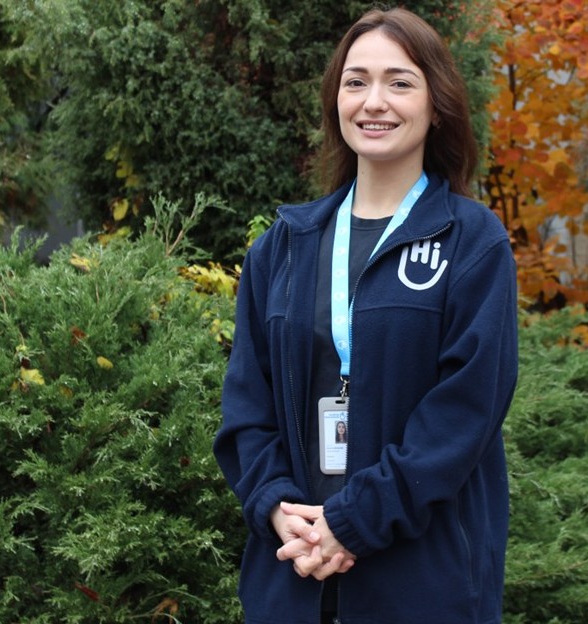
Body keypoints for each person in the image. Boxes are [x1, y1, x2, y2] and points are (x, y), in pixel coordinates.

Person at [213, 7, 518, 623]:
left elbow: (462, 415)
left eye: (399, 82)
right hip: (291, 577)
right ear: (336, 102)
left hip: (421, 585)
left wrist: (354, 523)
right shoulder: (283, 248)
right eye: (356, 82)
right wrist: (276, 506)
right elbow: (247, 408)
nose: (374, 101)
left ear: (438, 105)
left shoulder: (472, 243)